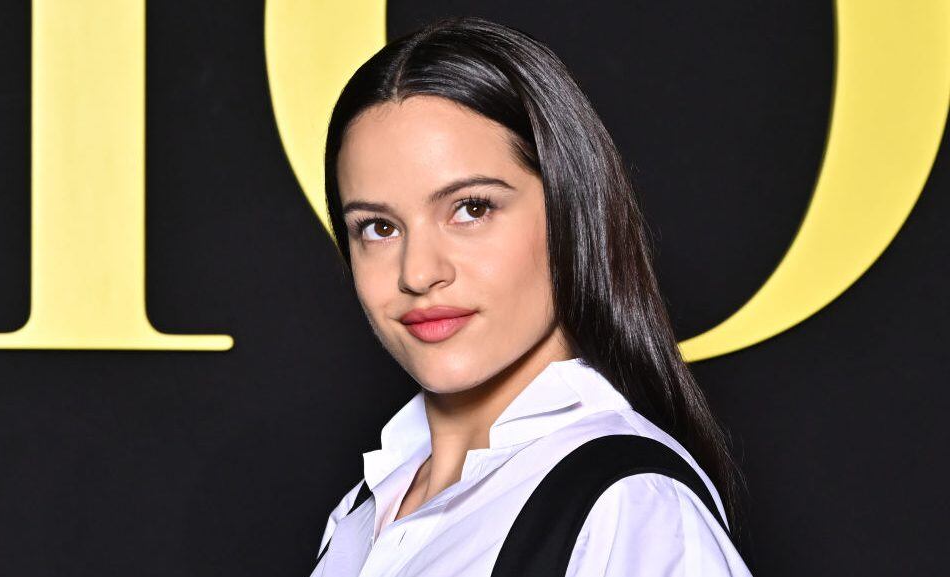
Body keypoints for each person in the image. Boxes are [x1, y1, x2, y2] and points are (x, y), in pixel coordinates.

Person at [311, 15, 754, 577]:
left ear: (571, 212)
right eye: (378, 227)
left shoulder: (625, 506)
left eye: (472, 208)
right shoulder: (363, 512)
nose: (418, 273)